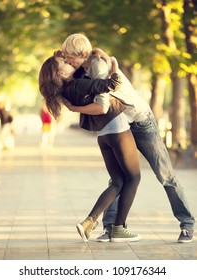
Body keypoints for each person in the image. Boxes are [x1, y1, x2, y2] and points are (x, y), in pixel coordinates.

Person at [61, 33, 195, 243]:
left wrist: (74, 107)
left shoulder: (98, 67)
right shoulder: (84, 68)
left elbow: (102, 104)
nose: (67, 60)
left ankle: (187, 223)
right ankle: (112, 227)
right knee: (117, 177)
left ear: (81, 54)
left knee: (165, 174)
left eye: (69, 56)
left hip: (141, 121)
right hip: (121, 124)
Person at [39, 53, 142, 242]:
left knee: (118, 181)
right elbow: (112, 84)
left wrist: (63, 55)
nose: (69, 61)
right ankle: (119, 227)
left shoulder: (66, 90)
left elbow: (78, 69)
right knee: (134, 177)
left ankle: (89, 222)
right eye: (64, 62)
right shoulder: (79, 85)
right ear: (60, 72)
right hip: (117, 130)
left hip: (103, 135)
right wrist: (114, 66)